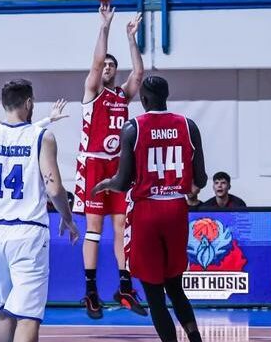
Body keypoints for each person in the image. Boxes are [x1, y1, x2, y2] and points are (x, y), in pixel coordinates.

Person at [0, 80, 78, 342]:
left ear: (2, 104)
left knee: (3, 313)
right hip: (28, 233)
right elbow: (54, 188)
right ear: (29, 103)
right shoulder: (42, 137)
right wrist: (68, 219)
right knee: (28, 316)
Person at [93, 75, 207, 342]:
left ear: (142, 99)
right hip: (177, 210)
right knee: (175, 287)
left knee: (154, 294)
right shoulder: (188, 126)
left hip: (147, 212)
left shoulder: (133, 127)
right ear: (166, 96)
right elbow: (200, 180)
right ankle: (195, 338)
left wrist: (106, 183)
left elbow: (121, 182)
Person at [74, 5, 146, 319]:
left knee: (121, 226)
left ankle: (125, 286)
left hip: (117, 166)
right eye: (103, 65)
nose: (106, 68)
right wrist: (104, 27)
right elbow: (95, 61)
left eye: (110, 66)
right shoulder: (92, 91)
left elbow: (139, 75)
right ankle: (90, 291)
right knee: (94, 229)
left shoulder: (121, 96)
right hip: (92, 165)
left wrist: (131, 39)